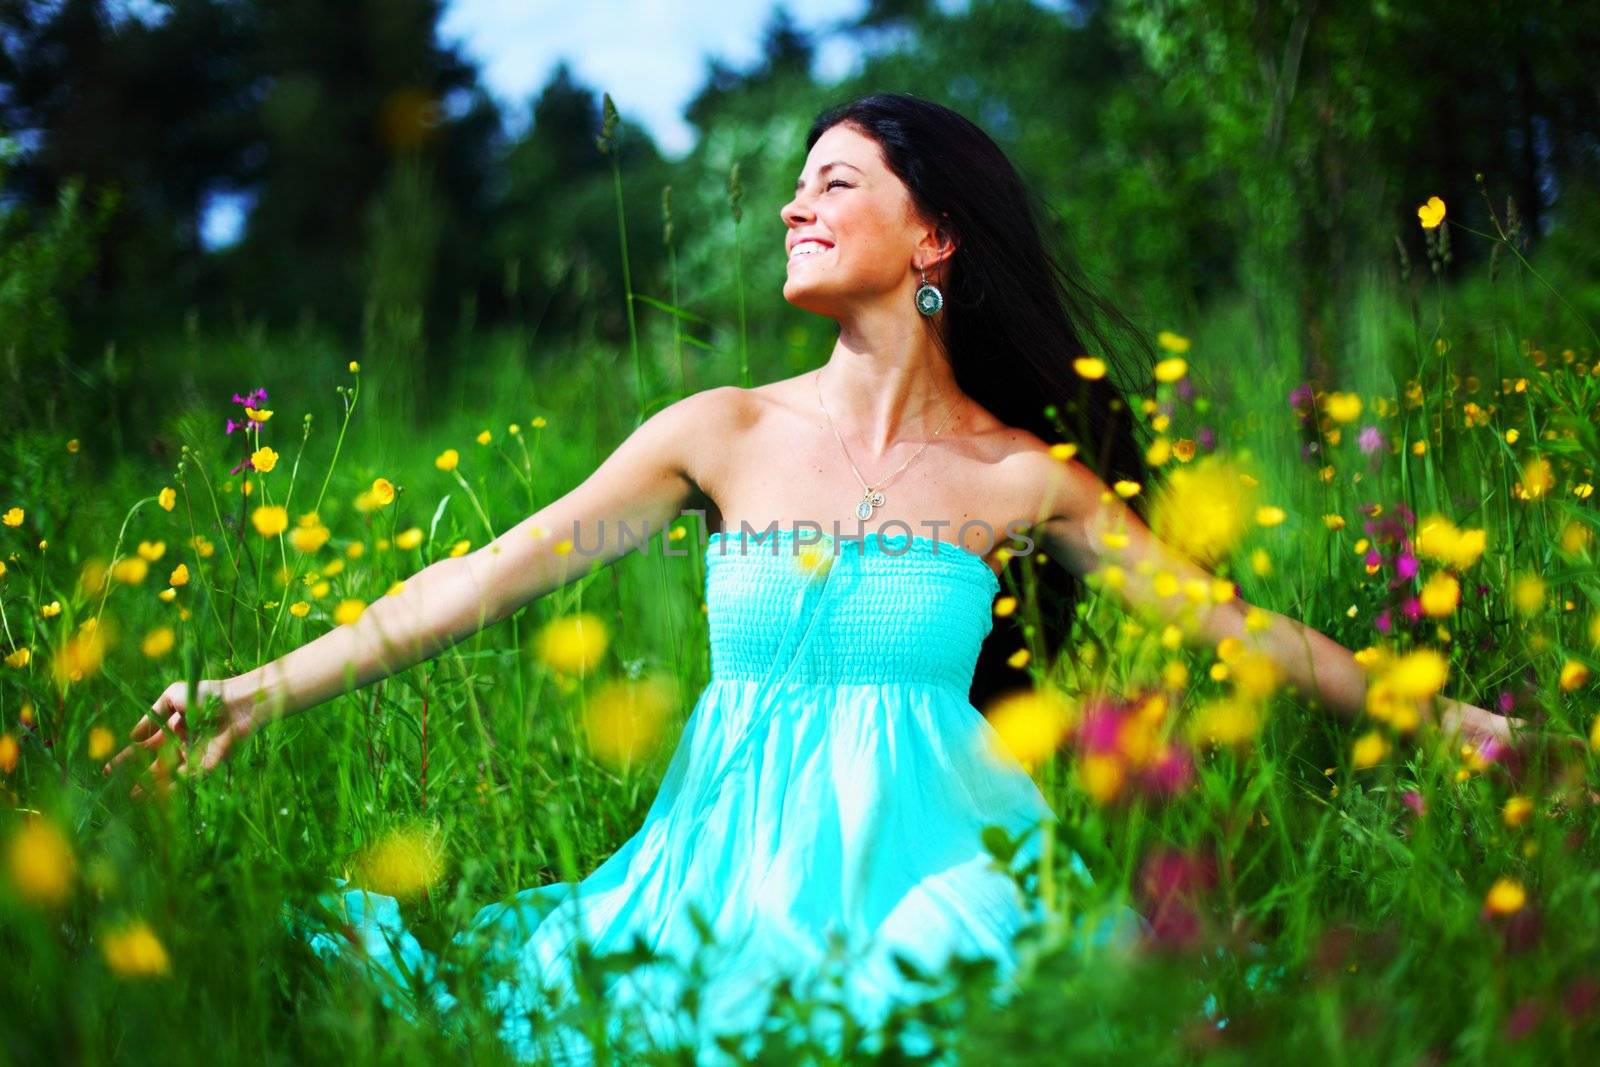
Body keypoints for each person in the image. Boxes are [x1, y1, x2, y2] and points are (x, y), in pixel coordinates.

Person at [107, 92, 1516, 1063]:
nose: (795, 207)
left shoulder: (1021, 477)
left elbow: (1238, 628)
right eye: (795, 185)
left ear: (936, 236)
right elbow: (479, 579)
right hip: (718, 870)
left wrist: (1455, 723)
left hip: (938, 875)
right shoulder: (716, 432)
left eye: (835, 182)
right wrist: (253, 688)